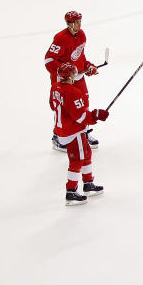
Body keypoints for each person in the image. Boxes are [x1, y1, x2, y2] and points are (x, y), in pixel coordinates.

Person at [50, 64, 109, 205]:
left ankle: (88, 183)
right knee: (77, 160)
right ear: (71, 77)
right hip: (73, 131)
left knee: (86, 153)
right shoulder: (73, 91)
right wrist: (95, 115)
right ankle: (71, 192)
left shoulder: (55, 87)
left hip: (62, 129)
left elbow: (53, 105)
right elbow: (80, 116)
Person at [45, 11, 101, 152]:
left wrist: (87, 66)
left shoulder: (81, 35)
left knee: (83, 103)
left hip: (78, 78)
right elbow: (49, 60)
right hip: (64, 79)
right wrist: (66, 71)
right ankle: (58, 136)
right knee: (63, 108)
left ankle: (82, 133)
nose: (79, 24)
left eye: (80, 21)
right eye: (76, 21)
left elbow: (79, 56)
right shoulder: (60, 38)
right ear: (69, 23)